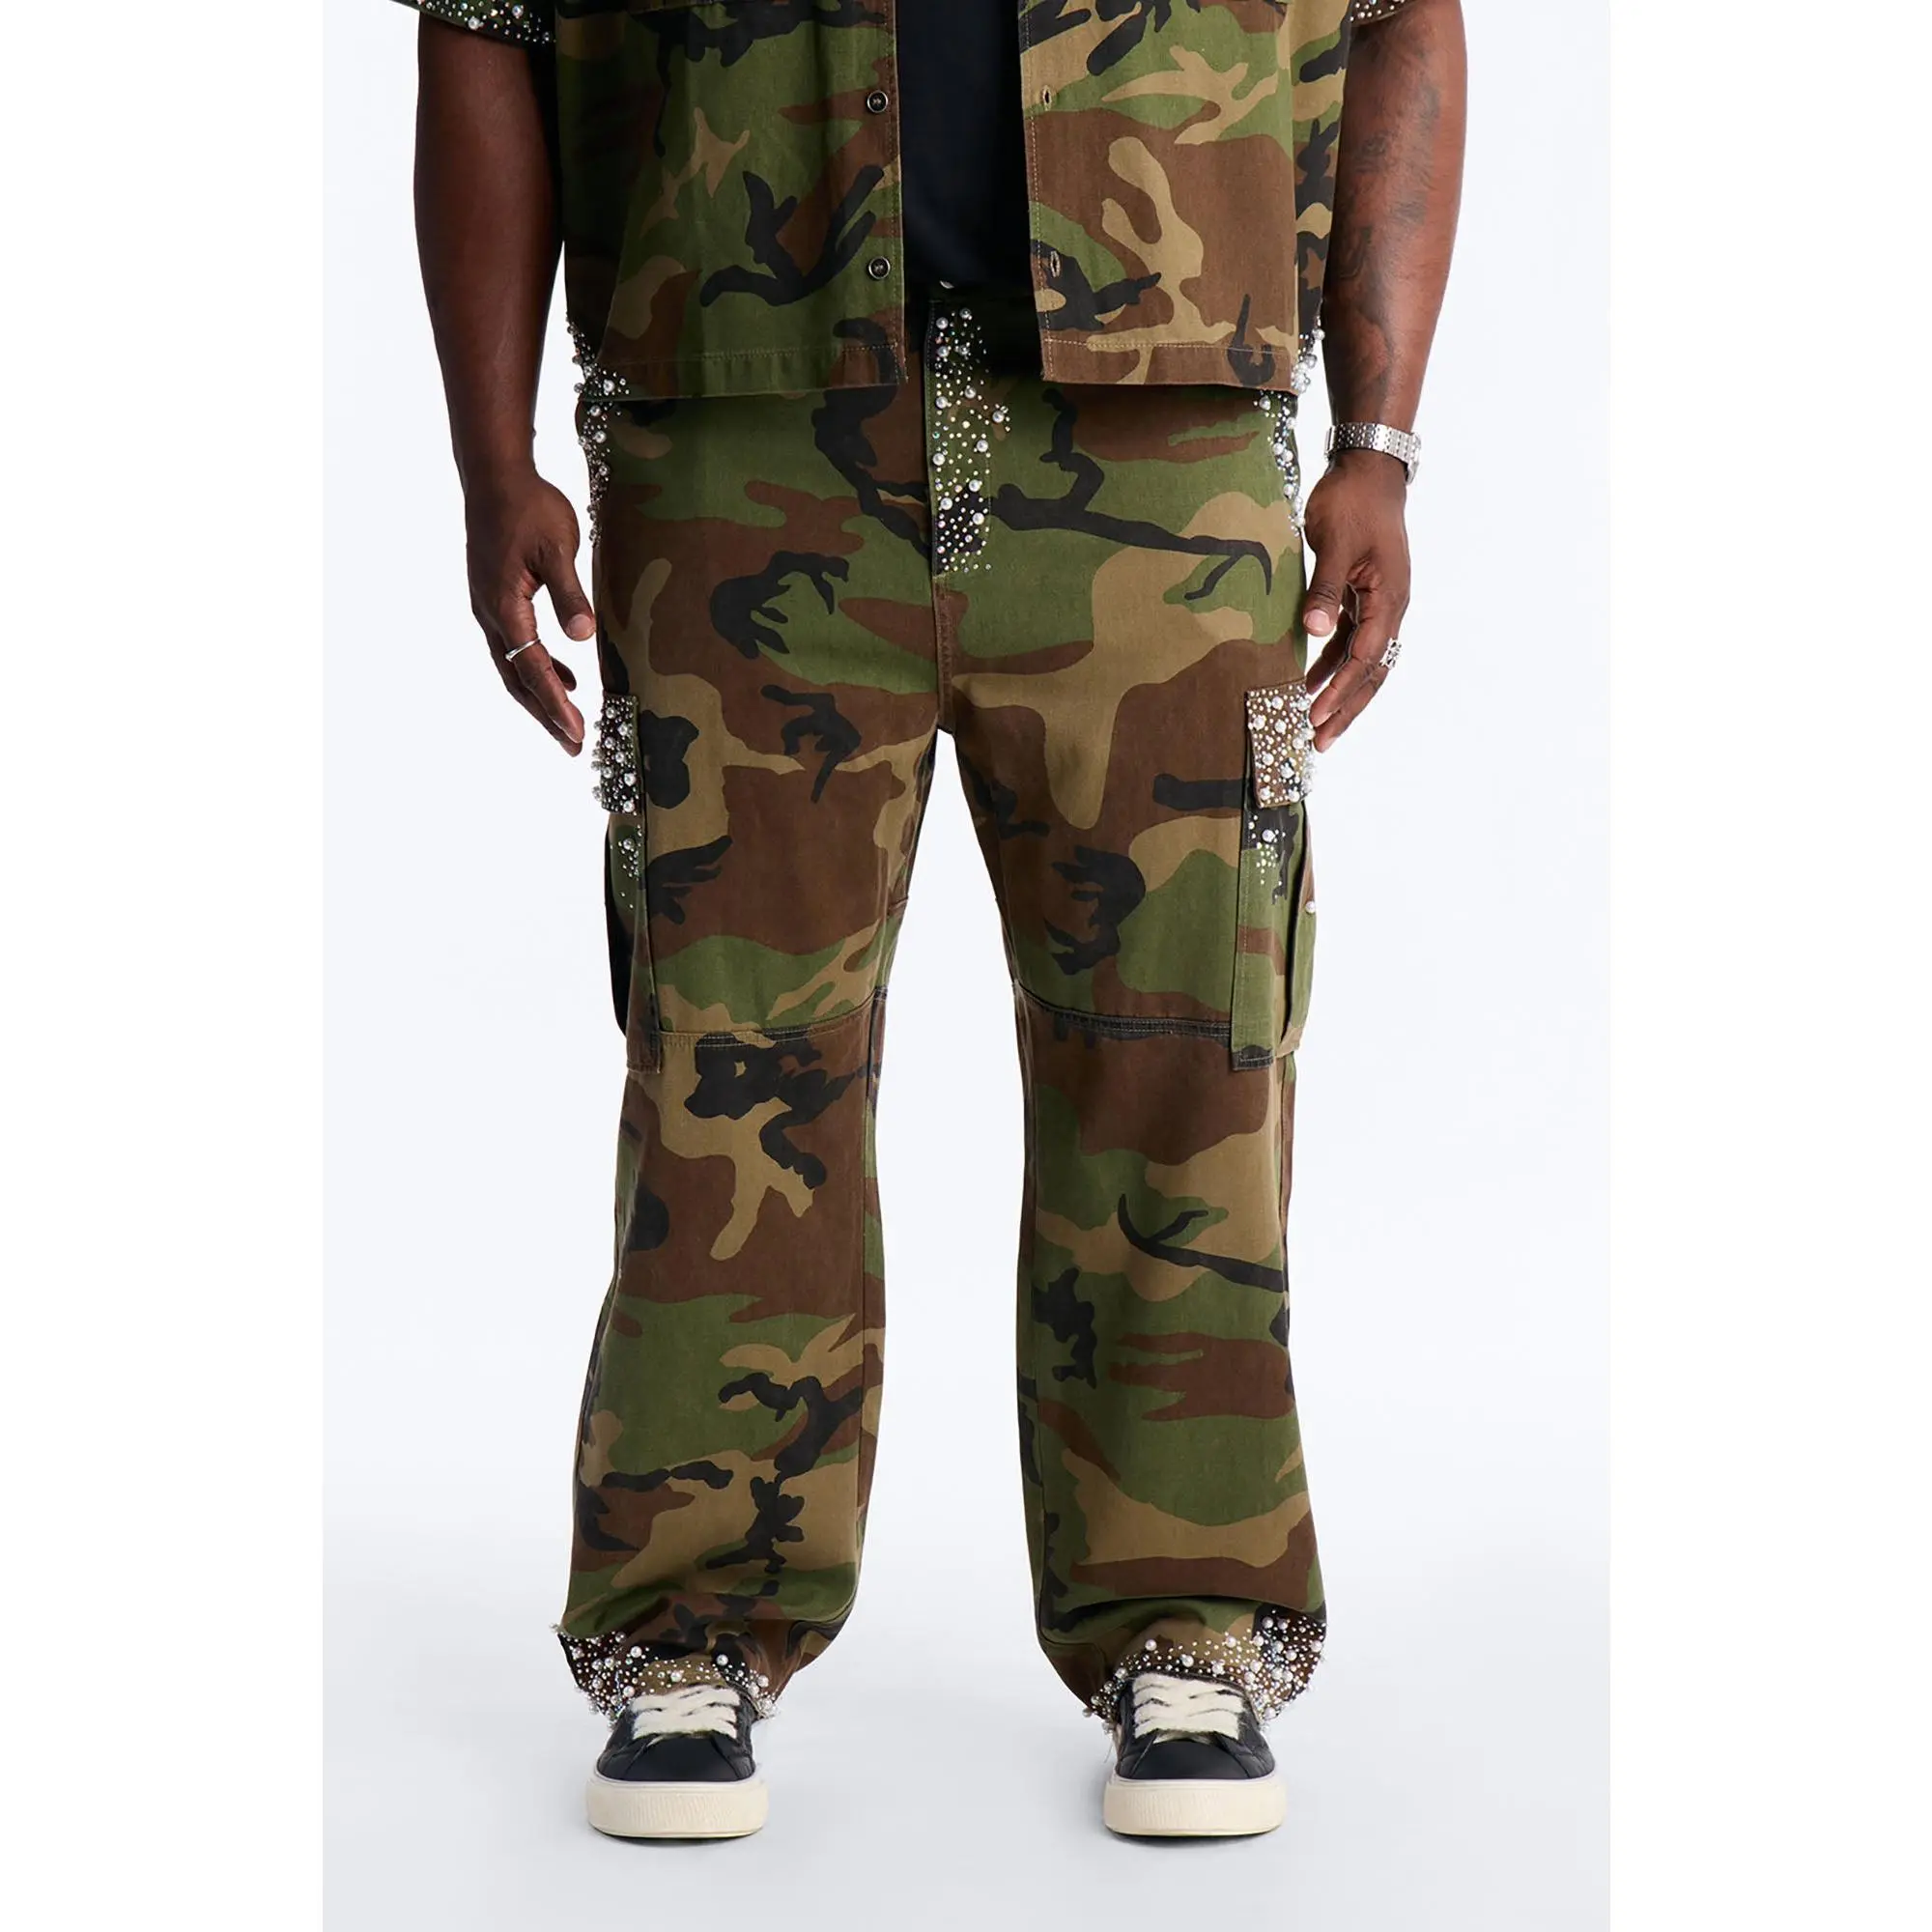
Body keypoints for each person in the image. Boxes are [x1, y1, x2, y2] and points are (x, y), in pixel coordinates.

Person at [402, 0, 1464, 1841]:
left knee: (1185, 1055)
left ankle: (1187, 1617)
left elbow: (1403, 17)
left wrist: (1377, 437)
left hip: (1165, 438)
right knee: (731, 1067)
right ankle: (690, 1624)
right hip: (741, 432)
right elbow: (485, 20)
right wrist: (493, 458)